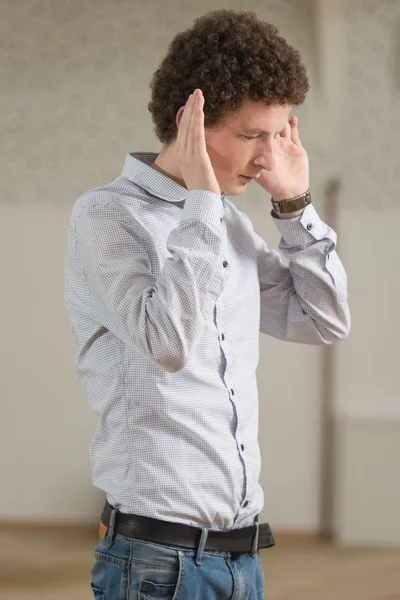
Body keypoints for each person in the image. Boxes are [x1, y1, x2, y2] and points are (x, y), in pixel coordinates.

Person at [64, 8, 350, 600]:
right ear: (188, 124)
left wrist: (294, 207)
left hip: (241, 559)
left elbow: (320, 320)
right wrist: (200, 203)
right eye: (252, 136)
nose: (268, 157)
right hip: (155, 565)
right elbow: (167, 341)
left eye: (279, 135)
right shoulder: (107, 215)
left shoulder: (225, 224)